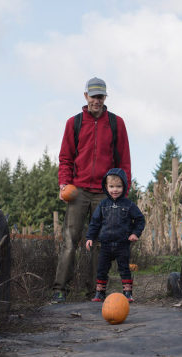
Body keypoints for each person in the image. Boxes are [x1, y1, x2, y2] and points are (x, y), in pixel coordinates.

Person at [52, 77, 131, 303]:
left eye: (100, 96)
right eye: (93, 96)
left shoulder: (117, 123)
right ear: (85, 96)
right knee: (70, 241)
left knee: (101, 244)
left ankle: (96, 291)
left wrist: (122, 192)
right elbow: (65, 158)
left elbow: (124, 160)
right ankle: (60, 290)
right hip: (78, 191)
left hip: (105, 194)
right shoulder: (73, 123)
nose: (97, 100)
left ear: (105, 97)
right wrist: (64, 183)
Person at [85, 168, 145, 302]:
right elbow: (95, 222)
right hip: (105, 244)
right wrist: (90, 237)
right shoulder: (102, 205)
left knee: (124, 269)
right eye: (111, 186)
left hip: (122, 244)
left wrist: (135, 233)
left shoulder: (129, 205)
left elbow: (140, 219)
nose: (115, 190)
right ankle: (100, 293)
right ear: (106, 187)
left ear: (124, 186)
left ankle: (127, 293)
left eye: (118, 186)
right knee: (101, 269)